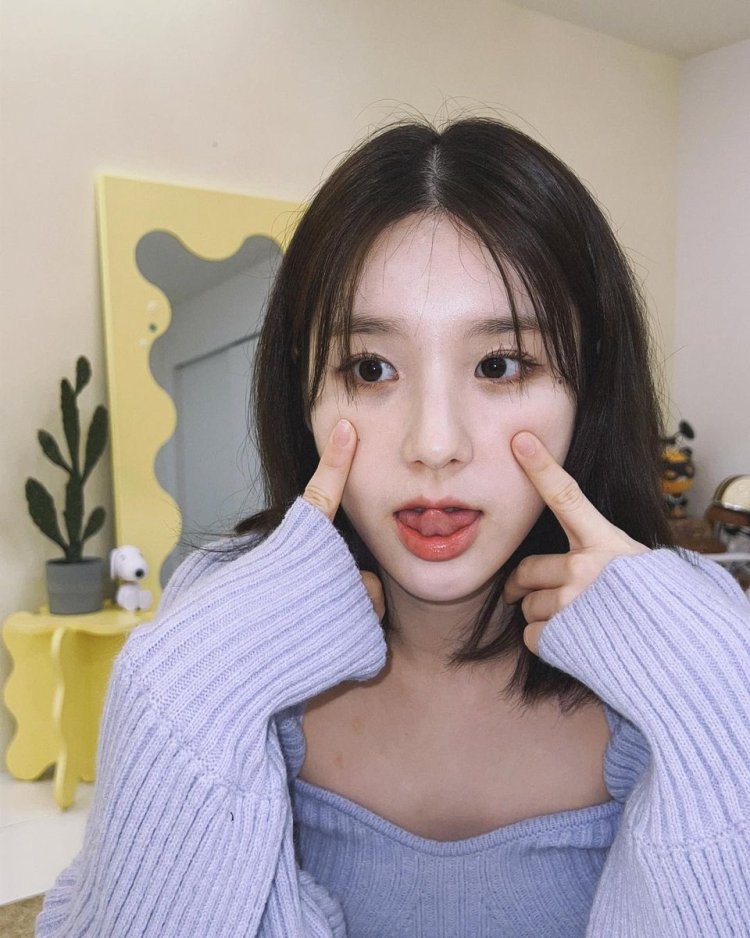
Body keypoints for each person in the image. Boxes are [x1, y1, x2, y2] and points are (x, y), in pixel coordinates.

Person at [36, 118, 750, 937]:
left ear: (589, 390)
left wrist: (725, 700)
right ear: (302, 393)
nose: (434, 445)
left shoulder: (699, 646)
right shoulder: (219, 617)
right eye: (370, 369)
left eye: (500, 365)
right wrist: (174, 694)